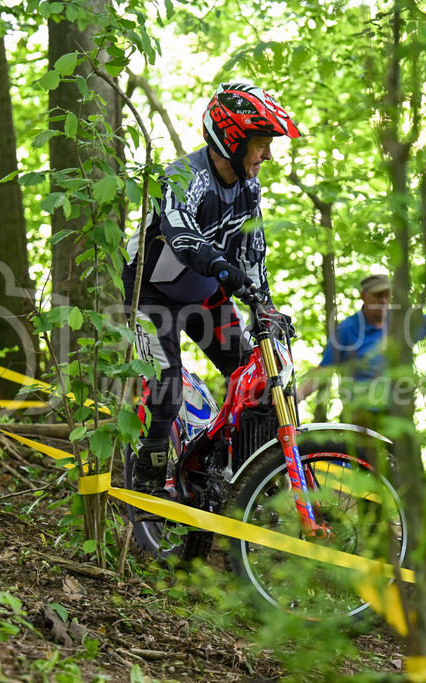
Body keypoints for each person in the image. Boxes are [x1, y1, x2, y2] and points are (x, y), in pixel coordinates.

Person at [122, 82, 299, 497]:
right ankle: (147, 489)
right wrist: (224, 269)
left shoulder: (247, 189)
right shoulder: (184, 176)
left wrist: (265, 307)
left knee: (255, 380)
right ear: (233, 141)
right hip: (149, 292)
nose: (267, 155)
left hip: (203, 293)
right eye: (261, 144)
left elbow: (252, 256)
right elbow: (182, 235)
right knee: (164, 390)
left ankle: (232, 474)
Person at [299, 273, 426, 425]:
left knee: (401, 463)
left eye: (387, 295)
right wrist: (296, 396)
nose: (383, 300)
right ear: (363, 296)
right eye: (377, 295)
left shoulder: (400, 323)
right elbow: (324, 370)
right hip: (360, 417)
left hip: (398, 416)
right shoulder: (347, 330)